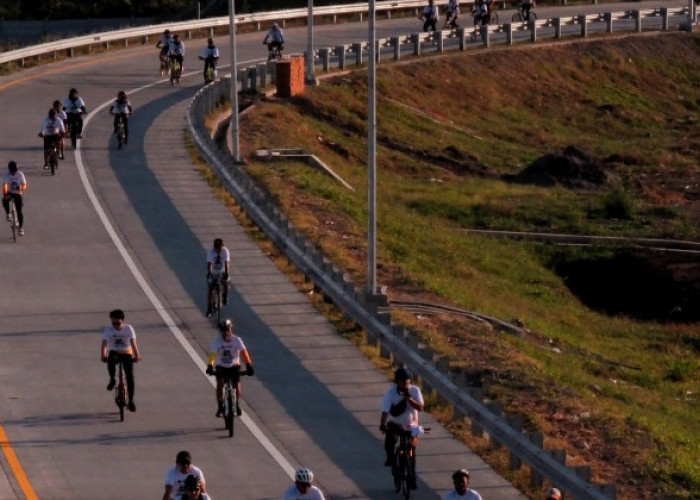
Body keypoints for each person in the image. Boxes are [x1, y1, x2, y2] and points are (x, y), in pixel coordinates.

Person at [379, 367, 425, 490]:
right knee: (390, 442)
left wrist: (409, 399)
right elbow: (385, 410)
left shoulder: (414, 391)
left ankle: (411, 478)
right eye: (403, 381)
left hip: (411, 427)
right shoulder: (390, 393)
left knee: (411, 452)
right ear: (397, 381)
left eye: (408, 380)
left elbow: (420, 408)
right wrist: (383, 424)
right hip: (395, 425)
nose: (406, 383)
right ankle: (392, 461)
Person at [206, 319, 254, 417]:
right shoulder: (217, 342)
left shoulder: (237, 340)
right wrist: (210, 365)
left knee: (236, 385)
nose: (225, 332)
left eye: (227, 329)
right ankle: (220, 406)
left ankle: (236, 404)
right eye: (223, 330)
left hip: (234, 366)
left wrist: (249, 365)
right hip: (221, 366)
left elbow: (244, 353)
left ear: (230, 328)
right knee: (220, 384)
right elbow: (212, 355)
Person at [100, 309, 141, 412]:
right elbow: (104, 344)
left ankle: (131, 401)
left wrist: (136, 355)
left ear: (123, 321)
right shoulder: (108, 330)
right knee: (110, 361)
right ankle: (112, 379)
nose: (115, 326)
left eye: (118, 323)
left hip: (126, 353)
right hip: (115, 352)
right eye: (113, 323)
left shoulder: (128, 329)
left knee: (130, 377)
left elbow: (133, 342)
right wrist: (103, 355)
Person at [205, 237, 230, 317]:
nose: (218, 250)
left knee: (226, 282)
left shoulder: (225, 251)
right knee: (210, 288)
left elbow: (226, 263)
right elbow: (210, 264)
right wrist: (209, 272)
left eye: (219, 248)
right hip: (214, 272)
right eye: (216, 248)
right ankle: (209, 308)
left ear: (223, 246)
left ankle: (225, 296)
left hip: (222, 271)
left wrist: (226, 273)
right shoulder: (210, 252)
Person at [2, 161, 27, 236]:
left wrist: (21, 187)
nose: (13, 173)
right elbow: (4, 185)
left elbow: (24, 185)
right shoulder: (6, 174)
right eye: (12, 171)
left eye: (14, 171)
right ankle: (8, 214)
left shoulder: (20, 174)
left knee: (19, 211)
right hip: (10, 192)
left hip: (17, 193)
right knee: (4, 200)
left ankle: (21, 228)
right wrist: (5, 193)